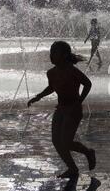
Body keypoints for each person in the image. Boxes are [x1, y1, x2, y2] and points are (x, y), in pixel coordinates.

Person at [27, 41, 96, 179]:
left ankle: (88, 152)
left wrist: (79, 101)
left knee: (66, 141)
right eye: (51, 52)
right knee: (56, 141)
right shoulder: (51, 73)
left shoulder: (72, 70)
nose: (51, 55)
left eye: (55, 52)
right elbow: (52, 87)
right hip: (61, 109)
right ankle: (72, 168)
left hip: (73, 110)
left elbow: (87, 84)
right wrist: (38, 97)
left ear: (64, 55)